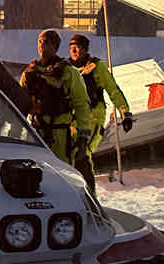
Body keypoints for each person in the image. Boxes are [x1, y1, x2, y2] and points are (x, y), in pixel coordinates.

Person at [67, 34, 133, 196]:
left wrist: (125, 113)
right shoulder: (65, 68)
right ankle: (71, 194)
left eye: (78, 47)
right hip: (72, 118)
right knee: (67, 156)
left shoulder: (97, 67)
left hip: (93, 117)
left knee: (83, 153)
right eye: (72, 47)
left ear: (85, 49)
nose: (75, 50)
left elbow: (113, 90)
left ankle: (90, 196)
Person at [20, 29, 92, 168]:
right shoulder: (30, 73)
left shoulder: (68, 72)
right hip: (37, 134)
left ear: (55, 46)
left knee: (62, 174)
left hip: (60, 137)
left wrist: (83, 137)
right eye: (39, 42)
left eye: (45, 42)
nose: (41, 45)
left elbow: (81, 104)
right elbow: (18, 104)